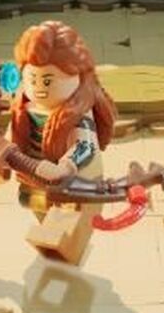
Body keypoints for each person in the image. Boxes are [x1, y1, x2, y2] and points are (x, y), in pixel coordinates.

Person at [7, 21, 116, 263]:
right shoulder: (25, 109)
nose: (39, 88)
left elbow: (85, 145)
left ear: (77, 77)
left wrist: (65, 166)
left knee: (66, 221)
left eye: (47, 81)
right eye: (32, 80)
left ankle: (67, 251)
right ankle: (55, 247)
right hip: (33, 179)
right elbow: (10, 140)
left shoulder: (76, 112)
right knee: (41, 212)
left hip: (71, 182)